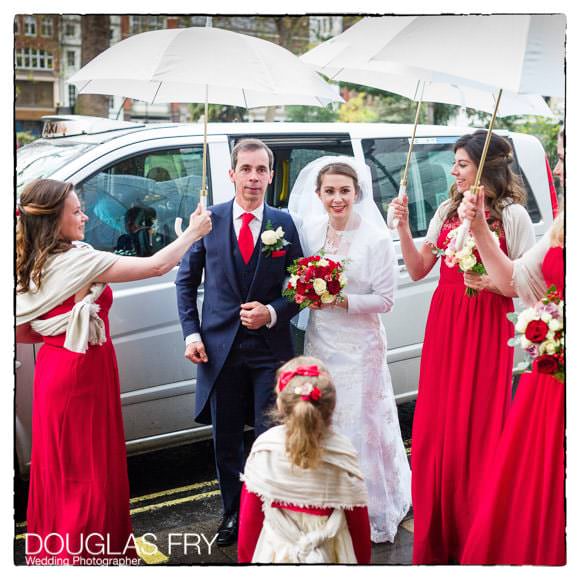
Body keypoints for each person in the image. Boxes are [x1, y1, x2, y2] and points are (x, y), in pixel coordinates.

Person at [16, 178, 212, 564]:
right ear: (54, 220)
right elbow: (157, 265)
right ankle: (86, 557)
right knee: (90, 469)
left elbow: (24, 330)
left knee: (63, 467)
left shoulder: (34, 260)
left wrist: (61, 329)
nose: (85, 216)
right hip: (84, 371)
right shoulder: (81, 261)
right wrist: (193, 231)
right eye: (76, 211)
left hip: (56, 368)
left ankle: (64, 551)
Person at [390, 130, 536, 563]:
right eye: (454, 164)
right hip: (447, 320)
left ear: (485, 168)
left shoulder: (513, 217)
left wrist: (489, 283)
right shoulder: (447, 209)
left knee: (479, 420)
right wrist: (400, 227)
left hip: (487, 324)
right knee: (438, 421)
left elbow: (523, 285)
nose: (453, 171)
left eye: (462, 164)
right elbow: (418, 270)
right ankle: (439, 526)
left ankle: (478, 526)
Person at [175, 139, 303, 547]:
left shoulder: (284, 222)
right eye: (245, 169)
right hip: (219, 350)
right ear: (231, 174)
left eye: (260, 169)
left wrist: (273, 311)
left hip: (269, 350)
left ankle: (270, 511)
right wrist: (191, 333)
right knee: (225, 437)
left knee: (270, 435)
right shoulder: (207, 220)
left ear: (270, 175)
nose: (253, 177)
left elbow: (301, 286)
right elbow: (185, 283)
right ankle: (233, 514)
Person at [289, 156, 411, 544]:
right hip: (321, 339)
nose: (337, 199)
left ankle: (366, 507)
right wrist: (307, 290)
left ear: (357, 193)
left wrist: (341, 301)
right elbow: (300, 276)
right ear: (318, 194)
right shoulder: (311, 228)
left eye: (345, 191)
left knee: (359, 421)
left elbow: (385, 300)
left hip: (360, 346)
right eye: (330, 192)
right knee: (322, 419)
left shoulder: (375, 239)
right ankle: (324, 503)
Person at [459, 130, 565, 565]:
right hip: (552, 378)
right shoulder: (563, 224)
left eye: (567, 156)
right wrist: (480, 226)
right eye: (560, 156)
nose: (557, 168)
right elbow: (511, 279)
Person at [238, 356, 371, 564]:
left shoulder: (265, 450)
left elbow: (249, 523)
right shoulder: (343, 453)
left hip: (275, 554)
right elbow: (359, 530)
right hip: (333, 554)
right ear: (331, 406)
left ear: (281, 404)